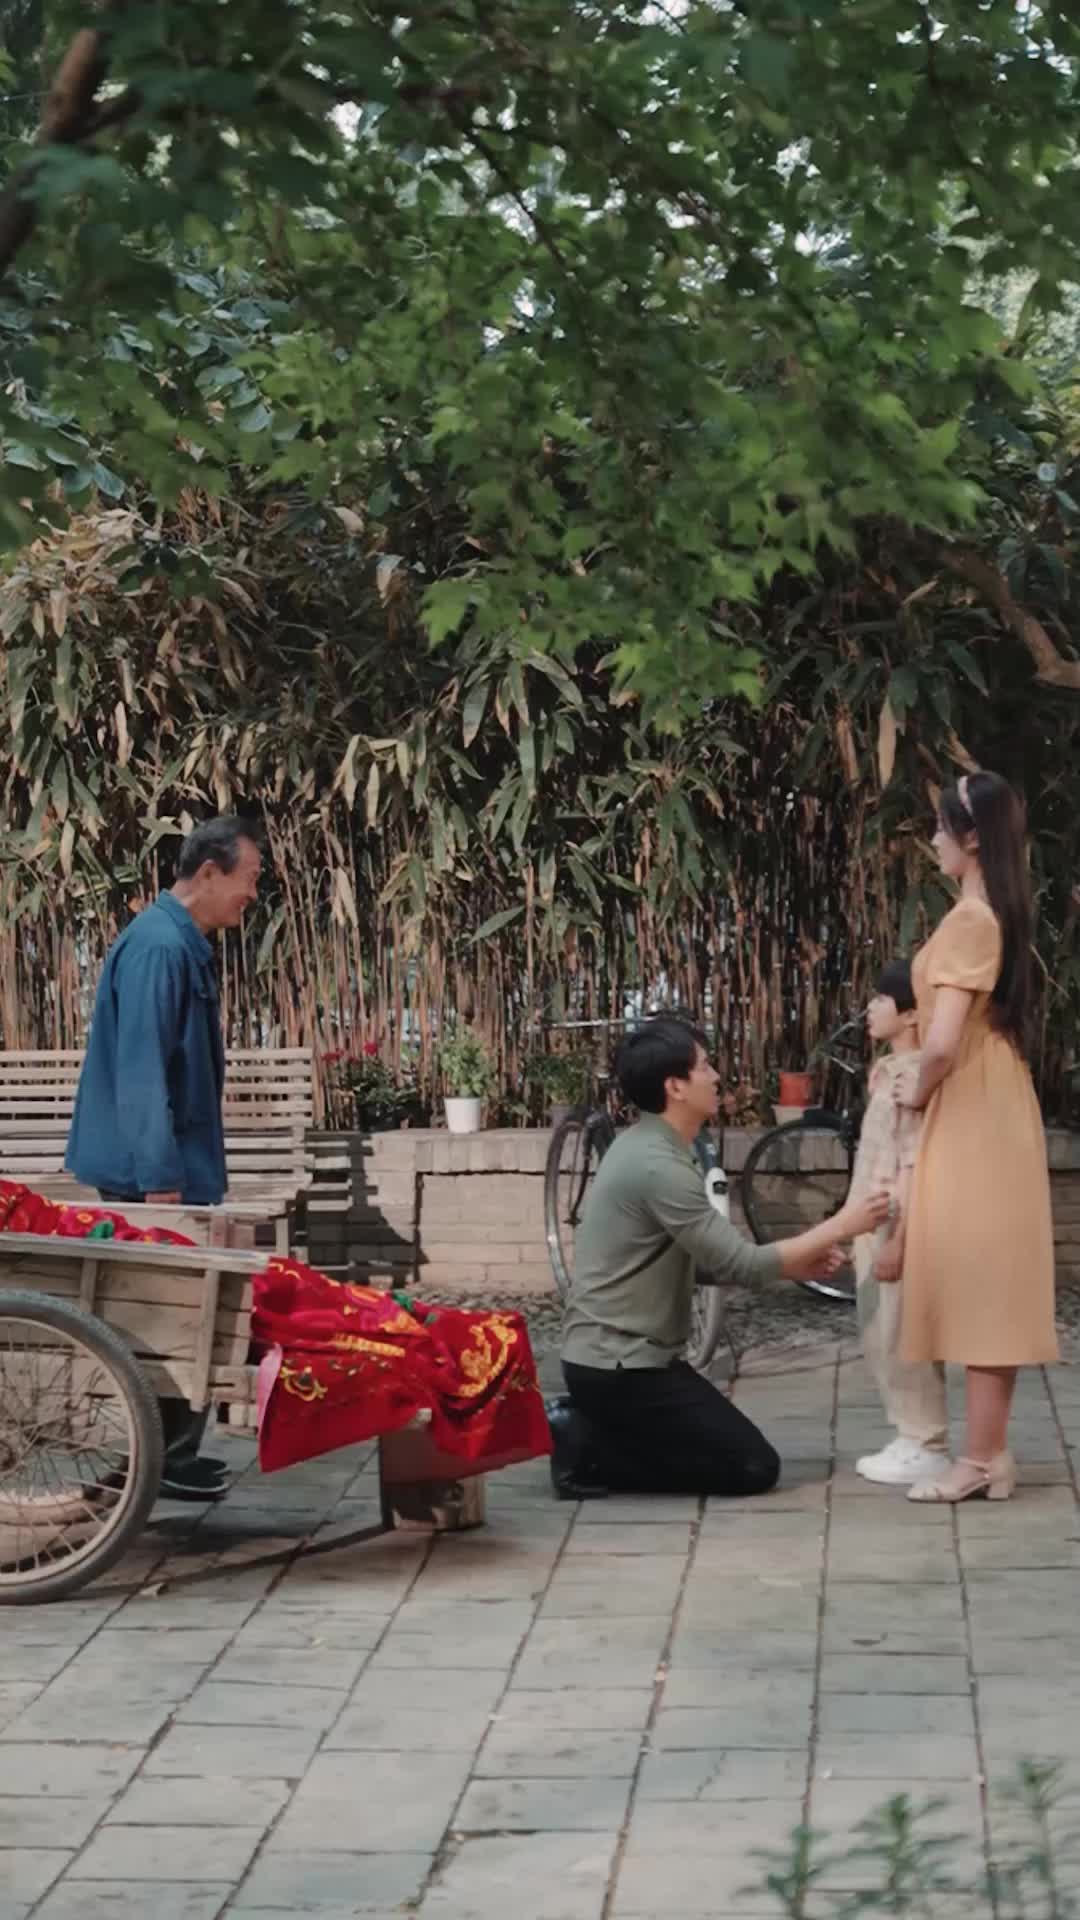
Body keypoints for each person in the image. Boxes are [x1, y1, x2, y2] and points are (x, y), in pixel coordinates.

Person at [549, 1016, 889, 1500]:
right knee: (752, 1467)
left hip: (617, 1362)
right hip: (620, 1368)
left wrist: (794, 1264)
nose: (716, 1077)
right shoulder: (658, 1166)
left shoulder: (650, 1147)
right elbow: (739, 1265)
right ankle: (585, 1445)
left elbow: (705, 1263)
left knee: (728, 1455)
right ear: (675, 1087)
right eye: (705, 1066)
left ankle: (597, 1429)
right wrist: (845, 1223)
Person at [66, 816, 264, 1501]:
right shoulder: (157, 947)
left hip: (174, 1164)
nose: (252, 894)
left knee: (184, 1309)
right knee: (167, 1313)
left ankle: (174, 1454)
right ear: (208, 873)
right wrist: (159, 1182)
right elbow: (142, 1069)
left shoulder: (180, 942)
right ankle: (161, 1458)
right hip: (149, 1173)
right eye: (248, 879)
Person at [902, 771, 1058, 1504]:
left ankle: (982, 1458)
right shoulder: (994, 911)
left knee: (981, 1278)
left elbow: (940, 1043)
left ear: (970, 837)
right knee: (987, 1276)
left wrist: (913, 1092)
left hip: (972, 1103)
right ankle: (988, 1455)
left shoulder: (971, 920)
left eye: (941, 827)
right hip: (989, 1097)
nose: (933, 840)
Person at [851, 959, 948, 1486]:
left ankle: (926, 1440)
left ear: (911, 1014)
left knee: (900, 1333)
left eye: (881, 1000)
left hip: (895, 1219)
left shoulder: (913, 1078)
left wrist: (900, 1241)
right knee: (877, 1331)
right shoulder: (887, 1071)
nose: (870, 1009)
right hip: (871, 1218)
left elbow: (914, 1162)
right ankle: (909, 1434)